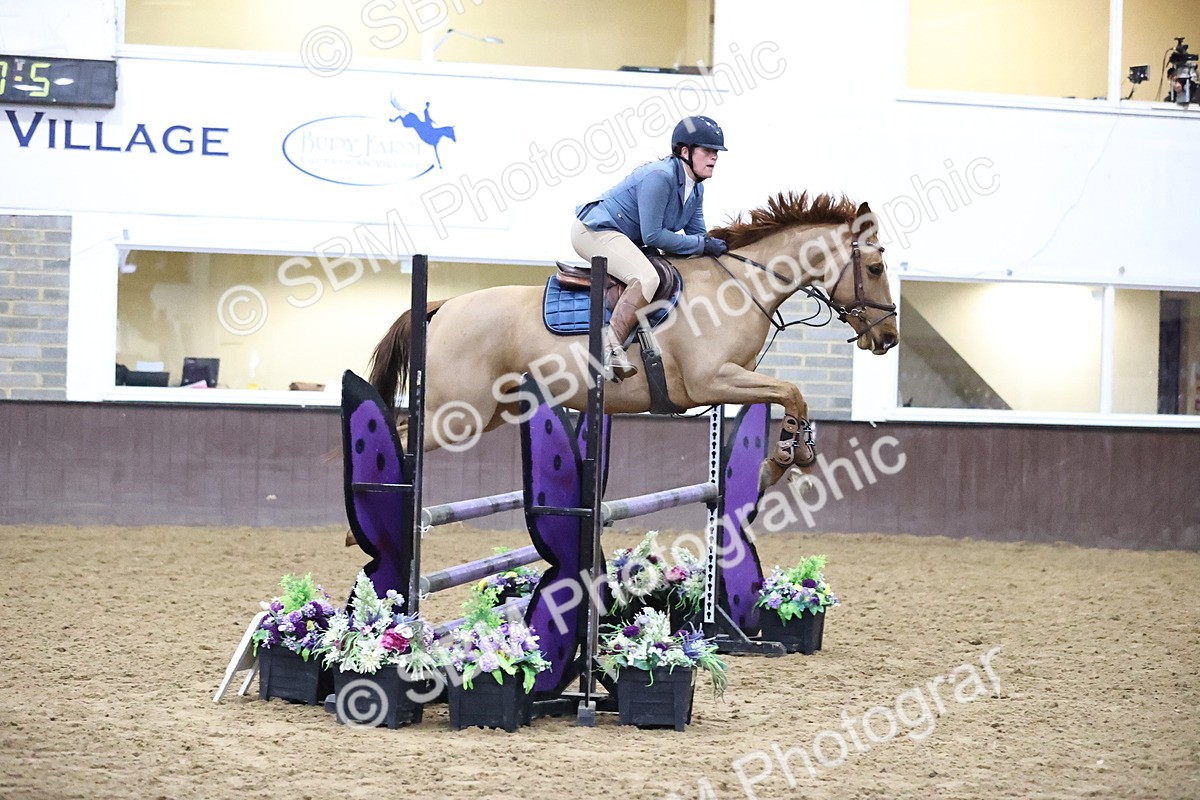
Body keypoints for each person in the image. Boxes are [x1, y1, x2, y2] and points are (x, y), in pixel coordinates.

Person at [572, 115, 729, 381]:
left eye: (716, 152)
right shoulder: (660, 176)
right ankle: (608, 350)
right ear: (685, 152)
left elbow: (697, 237)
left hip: (625, 237)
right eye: (707, 150)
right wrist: (703, 244)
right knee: (647, 277)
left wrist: (717, 249)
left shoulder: (696, 190)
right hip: (594, 231)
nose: (714, 157)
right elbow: (654, 235)